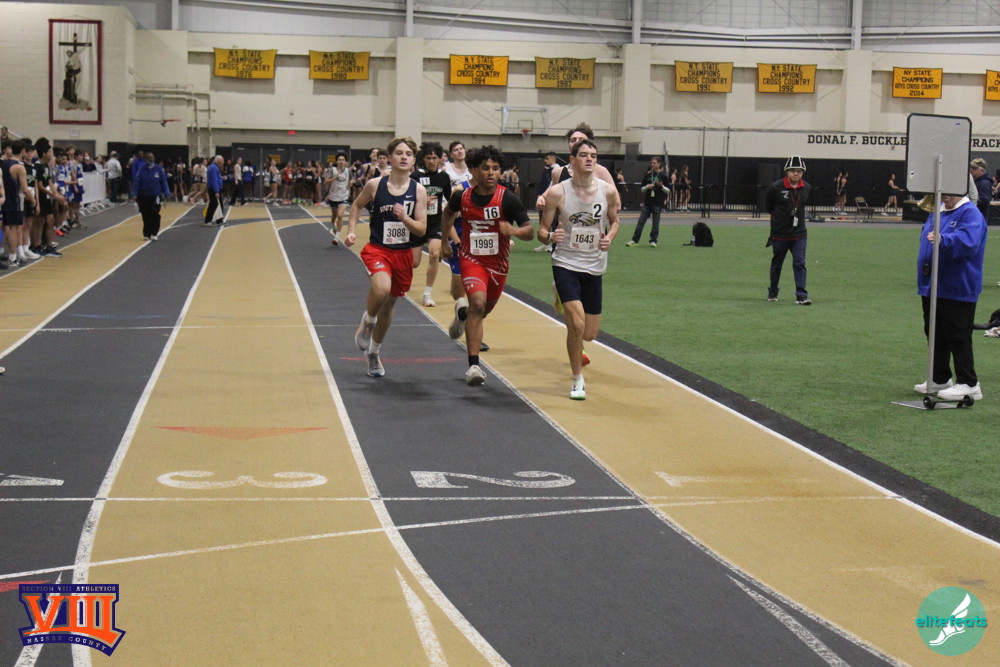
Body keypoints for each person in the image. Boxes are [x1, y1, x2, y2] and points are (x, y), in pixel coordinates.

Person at [441, 145, 533, 386]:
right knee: (477, 303)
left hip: (498, 265)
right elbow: (447, 213)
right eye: (485, 168)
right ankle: (473, 366)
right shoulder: (462, 196)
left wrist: (513, 230)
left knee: (481, 311)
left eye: (495, 168)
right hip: (471, 259)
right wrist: (444, 241)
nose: (491, 172)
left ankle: (463, 317)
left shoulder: (508, 199)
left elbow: (529, 231)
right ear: (474, 170)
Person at [538, 139, 620, 400]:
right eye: (584, 155)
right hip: (566, 263)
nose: (589, 159)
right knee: (576, 323)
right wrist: (551, 236)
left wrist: (610, 238)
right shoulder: (557, 193)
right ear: (572, 161)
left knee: (590, 333)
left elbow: (615, 221)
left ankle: (561, 300)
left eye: (593, 155)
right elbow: (542, 231)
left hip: (595, 265)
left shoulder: (607, 192)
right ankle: (577, 379)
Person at [345, 138, 427, 378]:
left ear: (414, 160)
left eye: (408, 154)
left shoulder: (418, 190)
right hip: (378, 249)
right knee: (381, 289)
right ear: (389, 158)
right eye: (399, 153)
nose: (404, 157)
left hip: (402, 253)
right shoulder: (375, 185)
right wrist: (351, 231)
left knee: (389, 305)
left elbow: (421, 229)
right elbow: (356, 206)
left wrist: (405, 219)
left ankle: (374, 352)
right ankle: (368, 320)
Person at [914, 191, 987, 401]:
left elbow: (969, 242)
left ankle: (969, 383)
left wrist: (943, 239)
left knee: (958, 334)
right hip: (932, 284)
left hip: (957, 285)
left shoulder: (970, 213)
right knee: (935, 332)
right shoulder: (938, 212)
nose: (942, 195)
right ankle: (940, 377)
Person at [765, 156, 812, 305]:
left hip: (799, 234)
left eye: (799, 171)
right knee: (777, 264)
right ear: (787, 172)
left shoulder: (806, 187)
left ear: (802, 173)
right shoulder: (775, 187)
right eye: (792, 171)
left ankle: (801, 295)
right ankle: (773, 291)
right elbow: (769, 207)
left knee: (799, 263)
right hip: (780, 234)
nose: (796, 173)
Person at [410, 142, 451, 306]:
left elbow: (450, 198)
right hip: (418, 222)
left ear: (440, 159)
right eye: (428, 158)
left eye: (434, 158)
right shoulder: (415, 177)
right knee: (414, 263)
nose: (432, 161)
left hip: (435, 223)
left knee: (434, 254)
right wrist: (420, 200)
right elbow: (407, 198)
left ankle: (427, 294)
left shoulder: (443, 177)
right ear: (423, 159)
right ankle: (398, 277)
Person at [1, 138, 38, 267]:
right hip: (15, 200)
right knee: (14, 228)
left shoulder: (4, 163)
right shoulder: (19, 167)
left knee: (8, 227)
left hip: (6, 199)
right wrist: (33, 200)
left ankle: (11, 254)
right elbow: (25, 188)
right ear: (22, 151)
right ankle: (12, 257)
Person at [624, 156, 668, 248]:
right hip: (647, 203)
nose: (652, 165)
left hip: (658, 203)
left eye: (654, 163)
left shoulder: (663, 176)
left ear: (659, 164)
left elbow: (668, 190)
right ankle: (635, 240)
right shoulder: (647, 175)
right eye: (651, 163)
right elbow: (642, 188)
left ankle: (653, 240)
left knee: (655, 223)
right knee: (641, 222)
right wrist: (647, 187)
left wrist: (661, 186)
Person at [132, 152, 170, 240]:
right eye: (149, 158)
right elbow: (137, 182)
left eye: (152, 158)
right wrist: (134, 194)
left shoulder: (159, 169)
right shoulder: (141, 170)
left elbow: (163, 182)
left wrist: (166, 193)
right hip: (143, 195)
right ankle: (146, 233)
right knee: (145, 214)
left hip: (156, 195)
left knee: (155, 213)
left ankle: (154, 232)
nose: (151, 159)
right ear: (146, 159)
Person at [533, 152, 558, 252]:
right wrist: (540, 195)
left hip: (551, 198)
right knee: (543, 220)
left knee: (551, 221)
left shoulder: (557, 170)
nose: (545, 161)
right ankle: (545, 242)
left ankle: (552, 243)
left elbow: (552, 185)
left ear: (553, 159)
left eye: (547, 158)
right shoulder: (547, 170)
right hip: (543, 196)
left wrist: (545, 195)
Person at [325, 153, 351, 245]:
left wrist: (351, 183)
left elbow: (352, 179)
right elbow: (326, 181)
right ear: (336, 161)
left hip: (343, 196)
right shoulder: (332, 170)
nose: (341, 161)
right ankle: (334, 227)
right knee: (334, 216)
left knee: (340, 215)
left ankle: (336, 237)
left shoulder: (348, 171)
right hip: (333, 196)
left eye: (343, 160)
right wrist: (334, 178)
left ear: (345, 162)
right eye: (339, 160)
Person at [203, 155, 225, 225]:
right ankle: (208, 220)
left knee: (219, 204)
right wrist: (216, 191)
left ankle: (219, 219)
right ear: (218, 161)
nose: (223, 162)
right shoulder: (213, 168)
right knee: (213, 204)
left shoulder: (215, 167)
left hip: (216, 188)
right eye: (222, 160)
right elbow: (214, 180)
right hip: (214, 189)